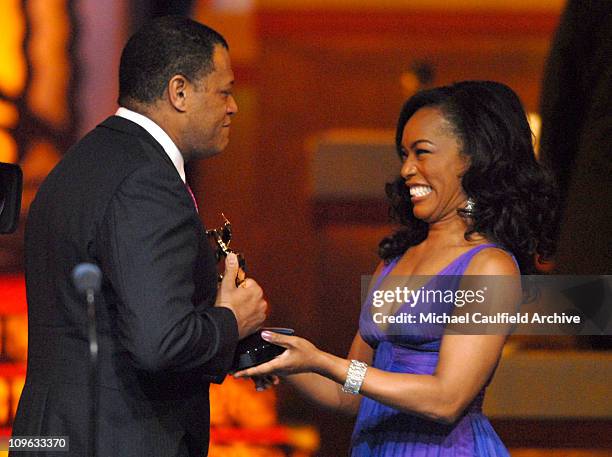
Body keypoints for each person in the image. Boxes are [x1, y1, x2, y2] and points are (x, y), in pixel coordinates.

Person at [236, 81, 557, 456]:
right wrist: (280, 355)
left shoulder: (490, 266)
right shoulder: (394, 261)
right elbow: (351, 396)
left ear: (471, 158)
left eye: (421, 153)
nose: (406, 169)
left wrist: (324, 361)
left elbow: (447, 399)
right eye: (404, 153)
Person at [12, 16, 267, 457]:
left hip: (49, 434)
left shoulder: (79, 163)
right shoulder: (147, 180)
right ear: (179, 91)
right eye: (224, 91)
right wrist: (231, 320)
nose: (234, 107)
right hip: (118, 439)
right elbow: (159, 344)